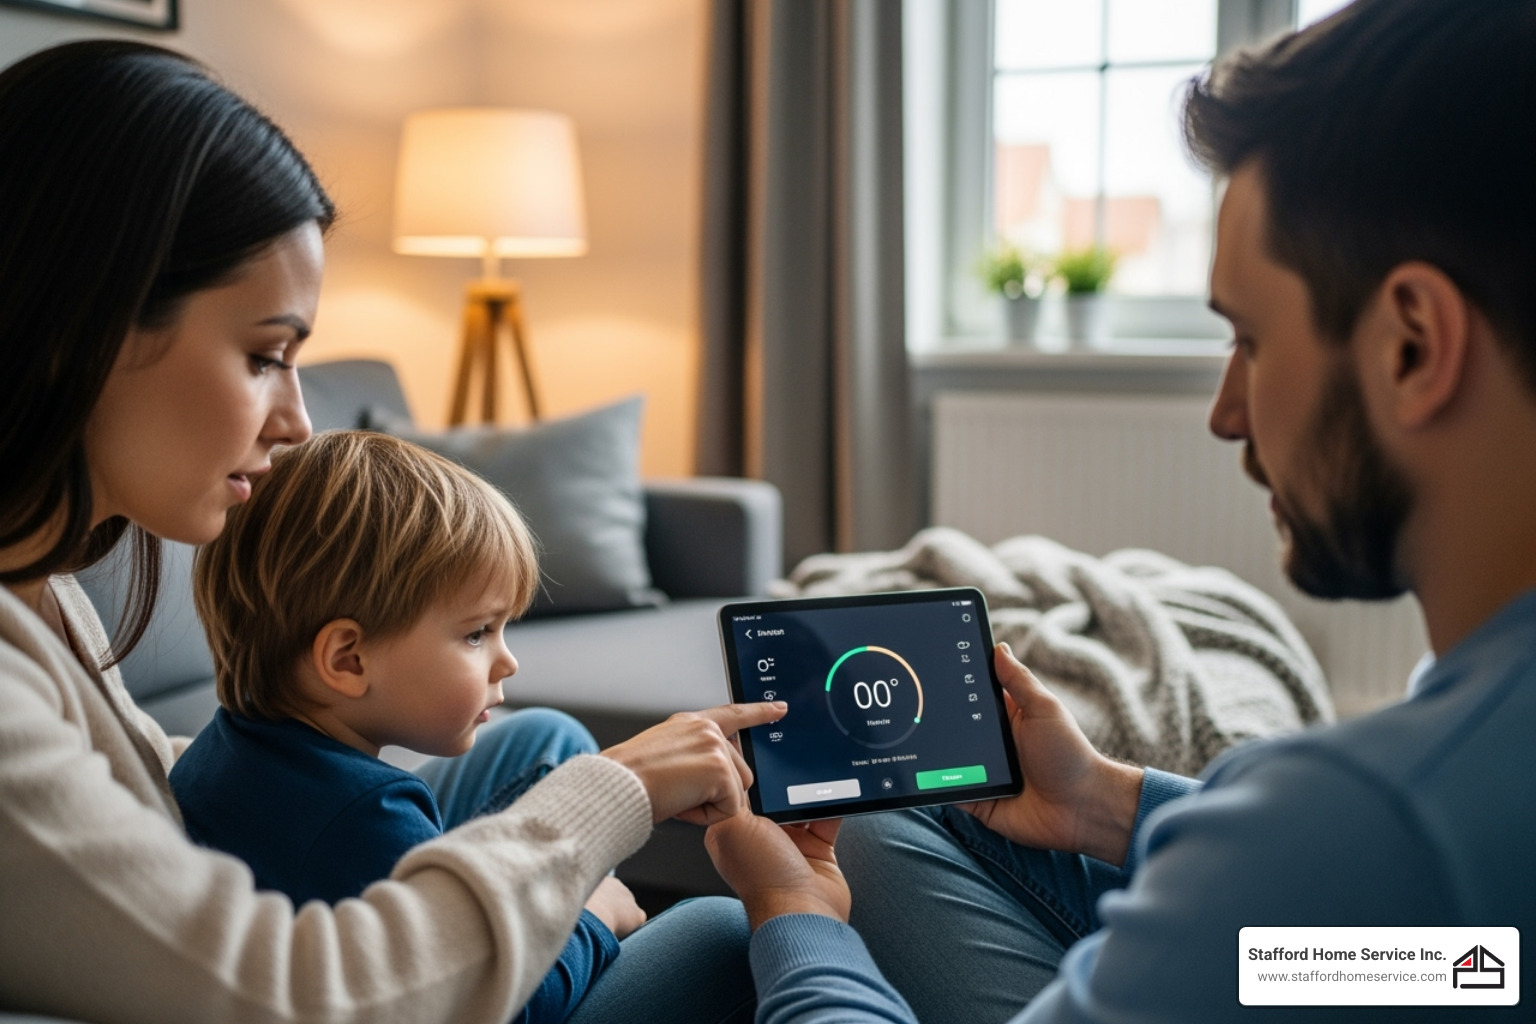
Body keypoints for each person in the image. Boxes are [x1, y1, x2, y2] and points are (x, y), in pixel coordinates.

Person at [703, 1, 1536, 1021]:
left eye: (1253, 341)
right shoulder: (1444, 817)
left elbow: (1360, 881)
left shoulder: (1363, 824)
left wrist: (796, 919)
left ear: (1411, 344)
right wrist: (1109, 801)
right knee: (889, 817)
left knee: (717, 941)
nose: (1228, 415)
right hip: (1441, 974)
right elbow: (1464, 968)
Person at [0, 39, 781, 1024]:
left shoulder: (40, 579)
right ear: (85, 322)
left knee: (535, 739)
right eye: (265, 353)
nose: (296, 421)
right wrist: (599, 819)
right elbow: (299, 990)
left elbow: (121, 796)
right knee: (717, 935)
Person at [170, 429, 648, 1024]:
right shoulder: (362, 817)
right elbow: (509, 1007)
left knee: (552, 739)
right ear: (348, 660)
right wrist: (592, 913)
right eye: (477, 633)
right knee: (718, 930)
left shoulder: (236, 740)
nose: (508, 661)